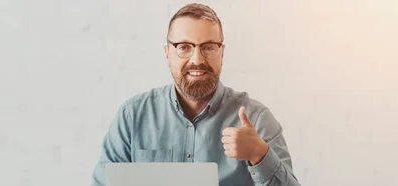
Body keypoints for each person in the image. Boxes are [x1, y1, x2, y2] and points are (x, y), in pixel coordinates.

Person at [91, 3, 300, 186]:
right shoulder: (133, 116)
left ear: (222, 52)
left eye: (208, 47)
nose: (197, 59)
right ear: (167, 53)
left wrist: (259, 155)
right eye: (184, 47)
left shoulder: (257, 119)